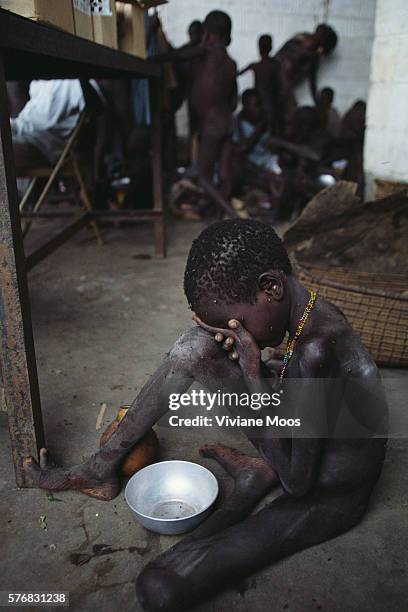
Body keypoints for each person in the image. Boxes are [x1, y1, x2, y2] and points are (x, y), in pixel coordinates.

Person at [24, 219, 387, 612]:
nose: (234, 336)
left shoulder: (318, 349)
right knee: (195, 348)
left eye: (236, 325)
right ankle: (101, 466)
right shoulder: (304, 317)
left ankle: (252, 481)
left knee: (157, 587)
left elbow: (298, 483)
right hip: (296, 450)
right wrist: (255, 363)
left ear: (271, 288)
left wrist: (252, 371)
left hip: (324, 497)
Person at [152, 11, 238, 217]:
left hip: (212, 125)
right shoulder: (230, 62)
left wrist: (153, 58)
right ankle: (219, 218)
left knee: (203, 177)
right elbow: (234, 101)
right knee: (224, 176)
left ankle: (233, 217)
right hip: (229, 123)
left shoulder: (205, 51)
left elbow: (178, 56)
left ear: (206, 33)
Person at [275, 24, 338, 131]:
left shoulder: (306, 45)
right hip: (279, 80)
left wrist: (317, 102)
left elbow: (312, 80)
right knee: (289, 113)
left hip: (281, 82)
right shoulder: (305, 46)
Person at [10, 79, 86, 165]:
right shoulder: (40, 82)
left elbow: (40, 120)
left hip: (47, 141)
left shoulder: (68, 83)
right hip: (25, 127)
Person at [238, 34, 281, 133]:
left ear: (259, 48)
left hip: (257, 102)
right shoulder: (275, 65)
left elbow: (238, 73)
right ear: (270, 47)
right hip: (271, 103)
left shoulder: (255, 66)